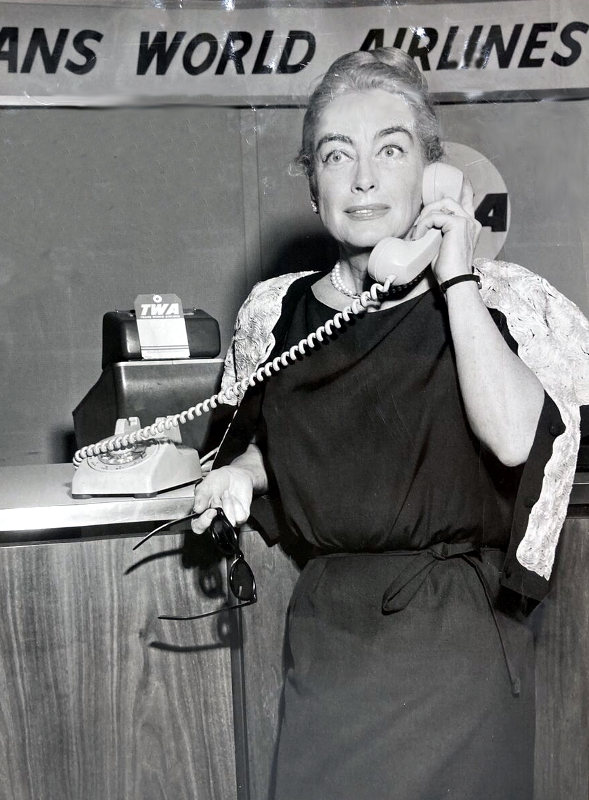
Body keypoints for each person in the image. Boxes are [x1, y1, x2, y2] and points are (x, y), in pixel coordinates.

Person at [191, 49, 589, 800]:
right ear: (314, 186)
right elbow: (291, 448)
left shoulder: (502, 302)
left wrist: (455, 268)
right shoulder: (277, 315)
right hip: (330, 639)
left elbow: (512, 438)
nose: (365, 179)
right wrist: (241, 473)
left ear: (436, 173)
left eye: (392, 151)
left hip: (455, 642)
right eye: (338, 156)